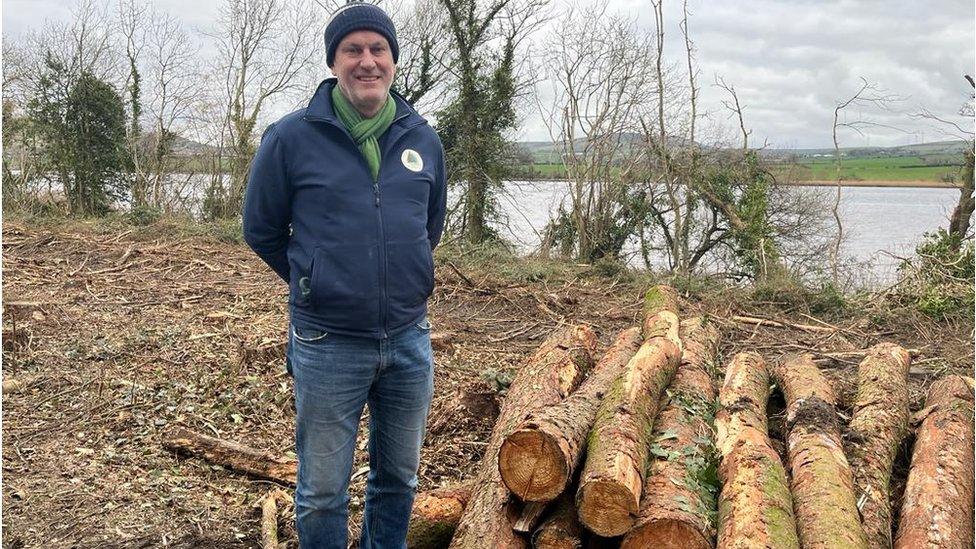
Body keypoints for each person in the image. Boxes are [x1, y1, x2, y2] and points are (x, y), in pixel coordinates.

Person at [242, 1, 447, 546]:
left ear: (394, 61)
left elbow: (429, 224)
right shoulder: (290, 138)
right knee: (323, 490)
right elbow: (261, 229)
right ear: (334, 62)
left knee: (398, 479)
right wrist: (314, 278)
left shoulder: (423, 139)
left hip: (409, 338)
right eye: (352, 50)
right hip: (328, 340)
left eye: (378, 49)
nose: (367, 61)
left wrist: (401, 275)